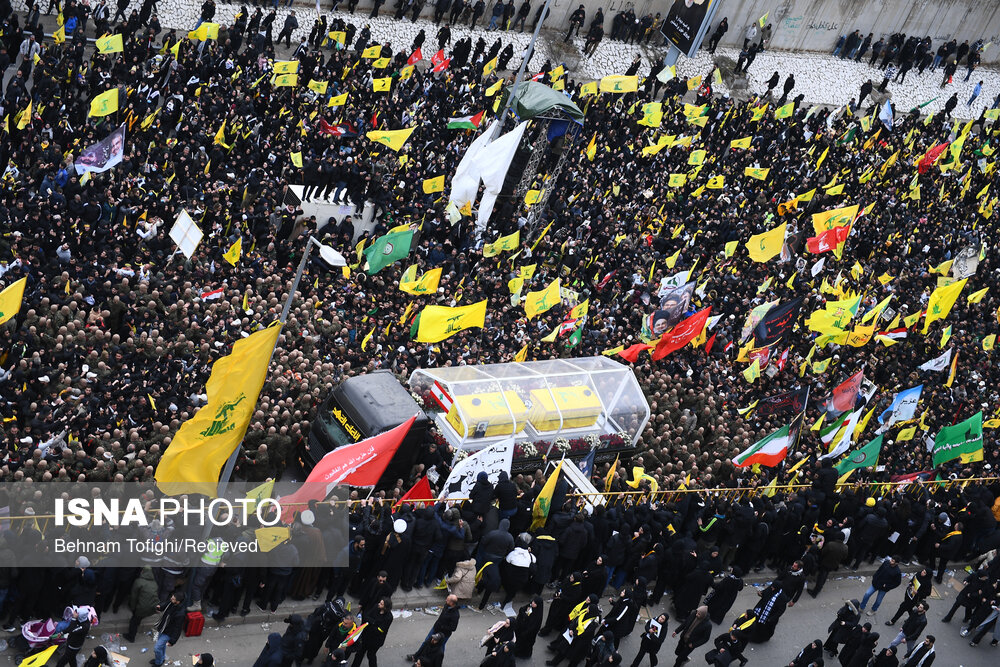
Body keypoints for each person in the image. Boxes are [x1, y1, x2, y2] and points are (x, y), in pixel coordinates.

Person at [406, 594, 459, 661]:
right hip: (435, 628)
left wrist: (442, 626)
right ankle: (416, 656)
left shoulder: (455, 615)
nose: (446, 600)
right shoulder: (446, 606)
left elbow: (453, 628)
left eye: (447, 600)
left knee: (440, 648)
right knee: (426, 642)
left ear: (452, 603)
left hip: (443, 634)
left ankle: (437, 661)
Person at [150, 592, 187, 667]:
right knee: (162, 646)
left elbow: (177, 628)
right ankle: (161, 658)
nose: (171, 599)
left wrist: (172, 641)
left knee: (157, 648)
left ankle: (158, 662)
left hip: (168, 633)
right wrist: (160, 606)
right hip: (163, 628)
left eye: (173, 598)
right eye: (172, 597)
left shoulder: (180, 614)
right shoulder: (172, 603)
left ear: (178, 602)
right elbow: (165, 604)